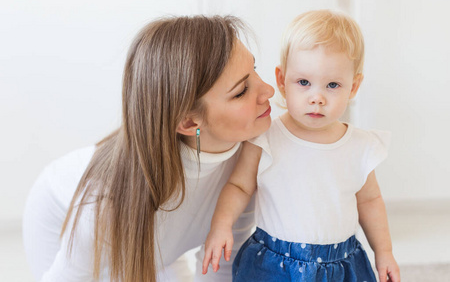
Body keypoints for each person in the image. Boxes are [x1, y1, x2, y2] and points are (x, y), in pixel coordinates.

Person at [22, 15, 275, 282]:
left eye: (255, 69)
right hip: (63, 217)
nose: (268, 90)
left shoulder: (247, 163)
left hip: (160, 244)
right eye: (241, 90)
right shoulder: (103, 205)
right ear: (189, 122)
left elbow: (221, 265)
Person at [202, 10, 401, 282]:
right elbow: (239, 186)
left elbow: (370, 200)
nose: (316, 98)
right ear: (282, 81)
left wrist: (384, 252)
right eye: (304, 82)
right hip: (275, 264)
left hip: (340, 264)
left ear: (353, 87)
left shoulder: (360, 146)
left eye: (332, 85)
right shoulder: (267, 136)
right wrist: (221, 225)